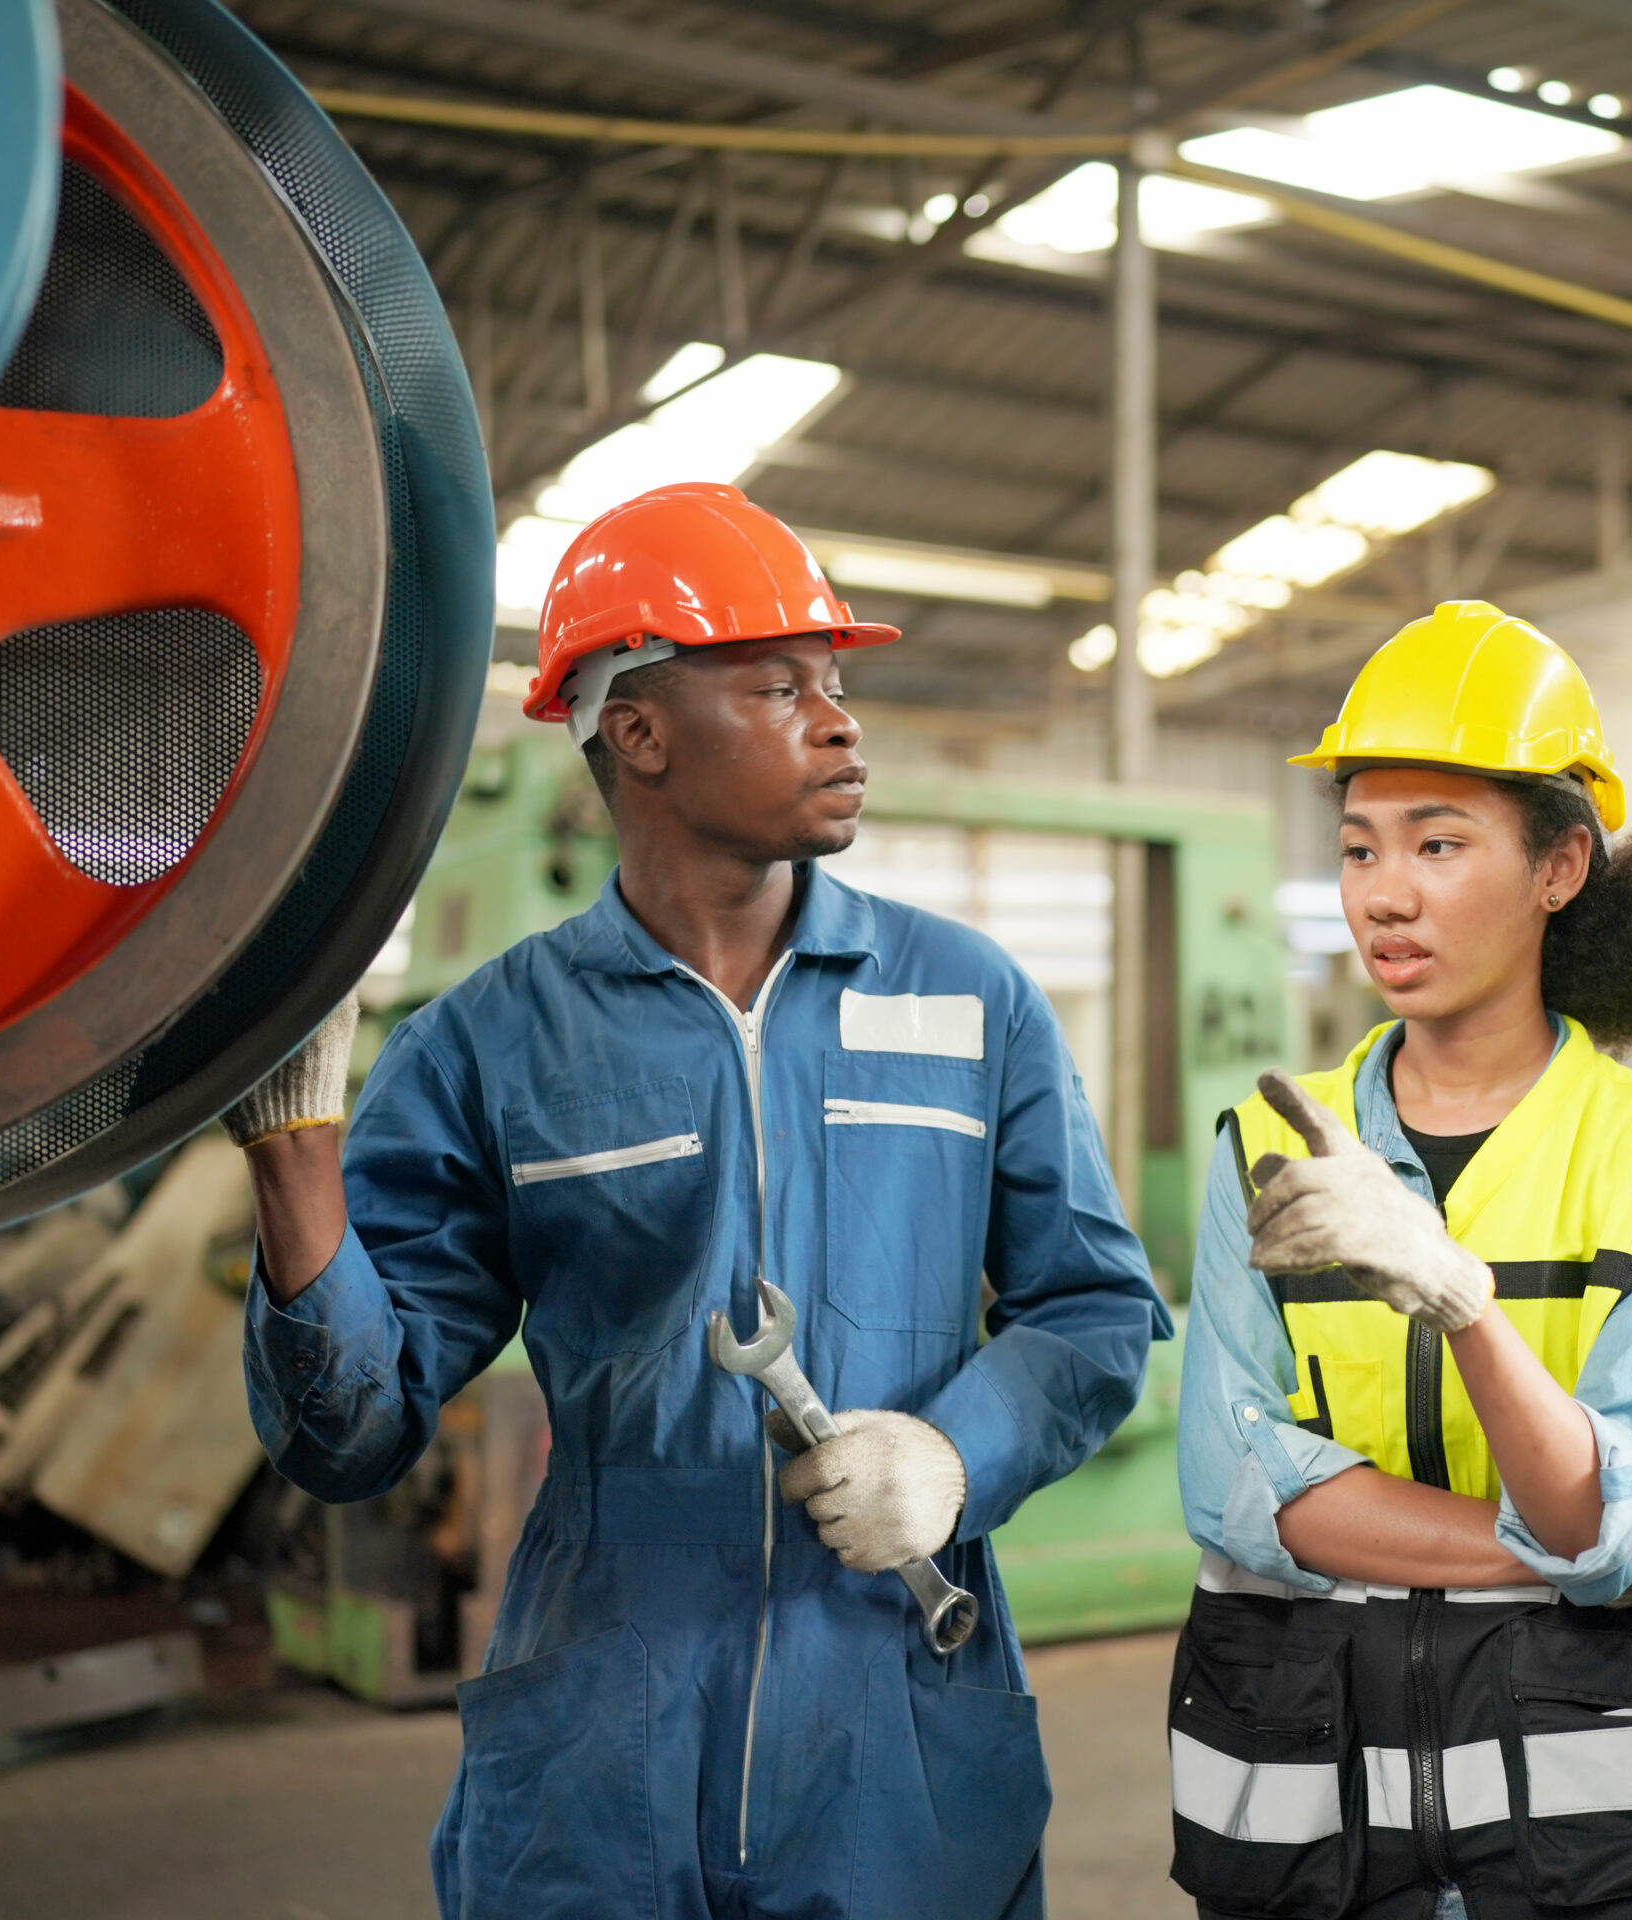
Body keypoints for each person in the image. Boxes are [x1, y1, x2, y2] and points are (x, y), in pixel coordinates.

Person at [226, 481, 1169, 1920]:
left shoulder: (970, 1002)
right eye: (781, 685)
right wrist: (295, 1155)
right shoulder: (494, 1043)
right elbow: (350, 1431)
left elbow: (1095, 1310)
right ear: (638, 730)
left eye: (837, 683)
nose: (841, 718)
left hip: (897, 1739)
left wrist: (955, 1459)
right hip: (605, 1745)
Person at [1169, 601, 1632, 1920]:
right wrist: (1617, 1533)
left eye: (1439, 843)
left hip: (1584, 1837)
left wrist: (1462, 1303)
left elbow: (1583, 1518)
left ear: (1560, 868)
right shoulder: (1271, 1147)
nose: (1384, 891)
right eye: (1358, 848)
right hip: (1321, 1820)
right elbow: (1243, 1488)